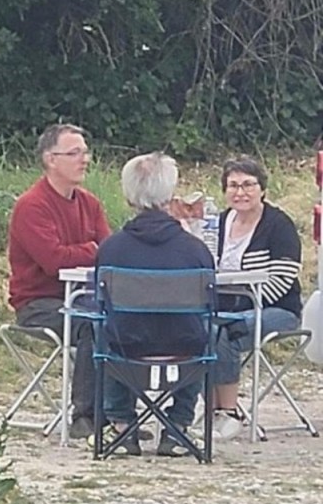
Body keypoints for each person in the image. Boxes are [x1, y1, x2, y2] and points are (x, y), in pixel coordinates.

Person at [95, 152, 215, 456]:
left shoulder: (111, 250)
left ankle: (121, 424)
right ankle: (178, 426)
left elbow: (100, 303)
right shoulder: (196, 251)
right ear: (171, 195)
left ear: (128, 196)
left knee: (101, 327)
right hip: (185, 350)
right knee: (208, 332)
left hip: (126, 350)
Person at [7, 123, 111, 439]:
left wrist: (88, 251)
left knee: (123, 318)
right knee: (93, 324)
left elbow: (108, 250)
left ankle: (119, 413)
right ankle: (85, 415)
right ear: (51, 159)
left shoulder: (90, 203)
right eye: (74, 153)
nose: (84, 159)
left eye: (85, 152)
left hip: (85, 296)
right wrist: (91, 249)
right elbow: (53, 261)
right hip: (39, 303)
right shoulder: (31, 205)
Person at [212, 157, 302, 440]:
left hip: (276, 309)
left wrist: (242, 304)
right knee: (204, 327)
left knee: (226, 329)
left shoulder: (279, 225)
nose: (241, 192)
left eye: (248, 185)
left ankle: (229, 412)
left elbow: (282, 279)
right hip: (223, 308)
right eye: (234, 186)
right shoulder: (219, 222)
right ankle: (215, 411)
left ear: (262, 189)